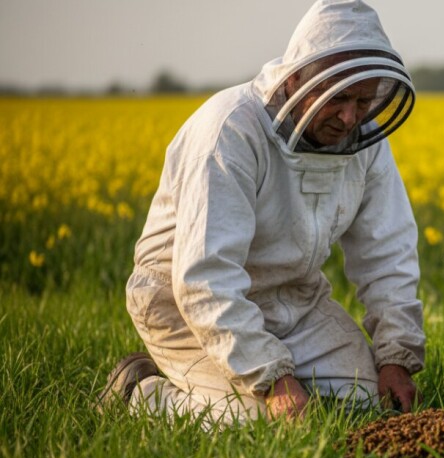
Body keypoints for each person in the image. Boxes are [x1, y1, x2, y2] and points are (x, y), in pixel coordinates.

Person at [98, 0, 425, 424]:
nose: (349, 117)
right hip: (180, 305)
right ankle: (140, 392)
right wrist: (272, 379)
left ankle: (226, 380)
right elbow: (204, 278)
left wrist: (394, 355)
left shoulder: (364, 140)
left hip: (294, 300)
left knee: (361, 404)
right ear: (295, 81)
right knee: (258, 421)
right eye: (338, 98)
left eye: (363, 101)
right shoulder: (230, 129)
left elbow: (388, 252)